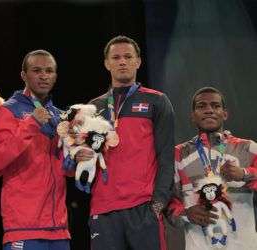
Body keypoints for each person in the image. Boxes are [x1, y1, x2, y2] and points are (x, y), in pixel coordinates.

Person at [75, 35, 174, 250]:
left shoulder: (156, 101)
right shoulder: (93, 108)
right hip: (103, 209)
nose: (122, 61)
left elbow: (166, 157)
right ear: (106, 63)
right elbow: (84, 157)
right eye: (116, 57)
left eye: (128, 57)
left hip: (143, 207)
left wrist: (158, 204)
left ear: (138, 62)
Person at [0, 50, 71, 250]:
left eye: (49, 71)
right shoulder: (9, 110)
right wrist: (31, 123)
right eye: (37, 70)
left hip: (59, 229)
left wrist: (78, 157)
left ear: (55, 76)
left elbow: (66, 170)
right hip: (23, 228)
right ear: (23, 75)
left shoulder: (60, 116)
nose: (44, 76)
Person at [167, 87, 257, 250]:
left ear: (225, 114)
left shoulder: (247, 148)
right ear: (193, 116)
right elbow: (166, 200)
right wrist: (185, 214)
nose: (209, 110)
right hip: (198, 245)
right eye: (201, 106)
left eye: (215, 106)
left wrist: (244, 174)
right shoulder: (178, 154)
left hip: (244, 244)